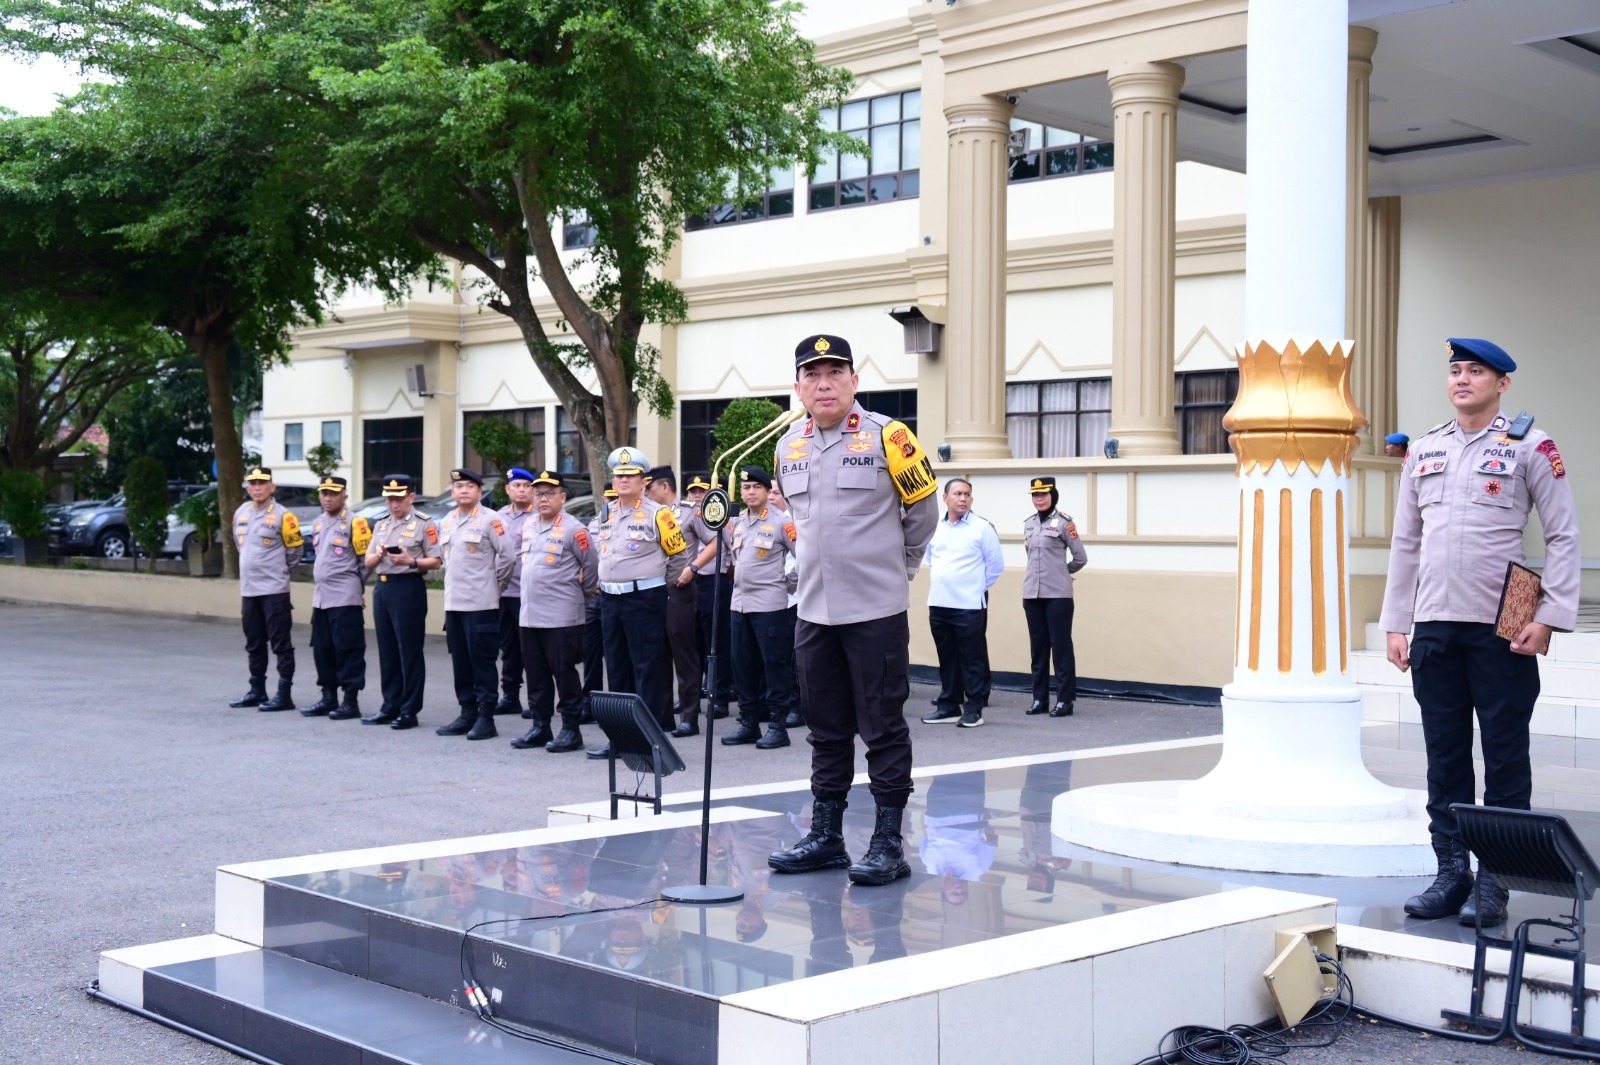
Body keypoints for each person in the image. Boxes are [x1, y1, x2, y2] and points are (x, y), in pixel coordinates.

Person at [1381, 337, 1580, 927]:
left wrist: (1549, 615)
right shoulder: (1425, 450)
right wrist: (1396, 622)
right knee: (1444, 755)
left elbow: (1563, 534)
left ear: (1502, 384)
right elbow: (1406, 541)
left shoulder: (1531, 446)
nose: (1463, 380)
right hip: (1435, 623)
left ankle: (1496, 879)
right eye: (1456, 371)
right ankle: (1451, 874)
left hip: (1503, 625)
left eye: (1476, 371)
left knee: (1505, 754)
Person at [767, 333, 939, 887]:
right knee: (825, 727)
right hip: (813, 610)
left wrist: (898, 565)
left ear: (854, 381)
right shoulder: (788, 446)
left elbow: (924, 513)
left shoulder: (892, 436)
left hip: (875, 610)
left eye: (835, 372)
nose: (825, 384)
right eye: (813, 375)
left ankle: (888, 841)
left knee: (883, 726)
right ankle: (826, 836)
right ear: (798, 387)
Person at [588, 447, 689, 757]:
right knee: (617, 669)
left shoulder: (660, 514)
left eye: (630, 475)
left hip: (644, 599)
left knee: (647, 670)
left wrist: (656, 587)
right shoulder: (605, 513)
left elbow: (678, 557)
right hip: (611, 599)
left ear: (644, 481)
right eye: (619, 475)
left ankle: (648, 740)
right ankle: (621, 739)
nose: (623, 480)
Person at [511, 471, 599, 753]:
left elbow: (592, 568)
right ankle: (540, 726)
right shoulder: (528, 525)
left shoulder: (575, 529)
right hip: (530, 615)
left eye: (549, 493)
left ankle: (571, 729)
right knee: (535, 673)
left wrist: (582, 597)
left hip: (562, 615)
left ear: (563, 496)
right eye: (538, 493)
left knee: (564, 674)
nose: (543, 499)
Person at [434, 468, 517, 741]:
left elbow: (507, 557)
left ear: (480, 492)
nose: (464, 491)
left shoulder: (491, 520)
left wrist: (495, 586)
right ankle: (466, 713)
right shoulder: (447, 521)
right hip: (454, 604)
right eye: (459, 487)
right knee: (460, 663)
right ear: (452, 491)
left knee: (482, 662)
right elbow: (446, 560)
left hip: (482, 603)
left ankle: (485, 718)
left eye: (470, 486)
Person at [722, 466, 799, 750]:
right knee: (742, 666)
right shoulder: (738, 522)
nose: (751, 492)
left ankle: (778, 726)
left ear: (768, 491)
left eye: (757, 487)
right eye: (746, 488)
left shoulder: (782, 522)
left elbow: (804, 557)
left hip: (770, 605)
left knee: (774, 666)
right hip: (739, 605)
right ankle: (749, 724)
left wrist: (787, 583)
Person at [919, 478, 1004, 729]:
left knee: (971, 659)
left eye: (967, 494)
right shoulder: (935, 526)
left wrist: (974, 588)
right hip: (939, 603)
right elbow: (930, 558)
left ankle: (974, 709)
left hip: (968, 605)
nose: (963, 498)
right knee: (947, 658)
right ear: (945, 498)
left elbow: (995, 566)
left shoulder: (982, 528)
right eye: (957, 494)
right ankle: (949, 706)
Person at [361, 474, 442, 729]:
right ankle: (390, 705)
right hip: (382, 588)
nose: (394, 504)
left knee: (409, 651)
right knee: (387, 651)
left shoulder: (424, 524)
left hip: (408, 587)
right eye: (390, 499)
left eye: (399, 499)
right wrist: (379, 555)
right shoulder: (381, 524)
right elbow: (367, 561)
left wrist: (411, 562)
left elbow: (436, 561)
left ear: (411, 497)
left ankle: (409, 710)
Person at [228, 466, 304, 711]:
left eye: (262, 483)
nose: (257, 488)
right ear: (247, 487)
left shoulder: (284, 516)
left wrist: (277, 571)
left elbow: (295, 552)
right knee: (254, 643)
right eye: (253, 483)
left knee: (281, 644)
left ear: (272, 487)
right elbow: (240, 545)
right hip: (249, 591)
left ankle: (284, 694)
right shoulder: (240, 512)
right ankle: (257, 690)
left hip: (274, 591)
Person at [300, 475, 371, 721]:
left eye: (333, 494)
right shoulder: (318, 523)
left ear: (344, 496)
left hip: (344, 597)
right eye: (324, 493)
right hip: (321, 598)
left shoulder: (356, 523)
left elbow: (365, 562)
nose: (328, 498)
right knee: (323, 649)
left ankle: (350, 701)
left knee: (348, 649)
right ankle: (328, 697)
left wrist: (354, 586)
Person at [1021, 476, 1088, 717]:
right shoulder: (1029, 524)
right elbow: (1031, 556)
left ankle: (1065, 700)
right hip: (1032, 593)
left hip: (1058, 595)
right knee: (1038, 649)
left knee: (1061, 648)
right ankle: (1039, 699)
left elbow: (1080, 557)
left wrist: (1063, 572)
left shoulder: (1064, 524)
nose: (1039, 499)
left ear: (1053, 495)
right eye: (1035, 495)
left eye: (1044, 494)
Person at [647, 465, 706, 736]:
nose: (646, 493)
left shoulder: (690, 511)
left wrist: (693, 567)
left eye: (649, 487)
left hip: (680, 588)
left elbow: (717, 540)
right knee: (658, 654)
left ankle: (689, 717)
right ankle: (663, 716)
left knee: (684, 655)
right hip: (654, 590)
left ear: (664, 487)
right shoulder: (649, 514)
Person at [684, 473, 736, 718]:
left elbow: (732, 552)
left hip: (714, 581)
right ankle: (694, 695)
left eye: (702, 491)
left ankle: (720, 696)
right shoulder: (684, 515)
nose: (697, 496)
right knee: (694, 642)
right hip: (690, 583)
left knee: (716, 642)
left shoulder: (722, 518)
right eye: (692, 491)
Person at [495, 468, 539, 717]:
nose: (522, 490)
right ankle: (510, 696)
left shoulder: (540, 514)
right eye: (517, 485)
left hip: (530, 594)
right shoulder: (498, 517)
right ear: (508, 490)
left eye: (526, 486)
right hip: (504, 592)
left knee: (532, 650)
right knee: (509, 648)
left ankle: (537, 700)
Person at [579, 482, 616, 726]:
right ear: (602, 499)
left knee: (615, 656)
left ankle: (615, 705)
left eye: (615, 499)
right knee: (590, 654)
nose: (611, 504)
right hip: (594, 596)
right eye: (608, 499)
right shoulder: (593, 524)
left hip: (616, 595)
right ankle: (590, 703)